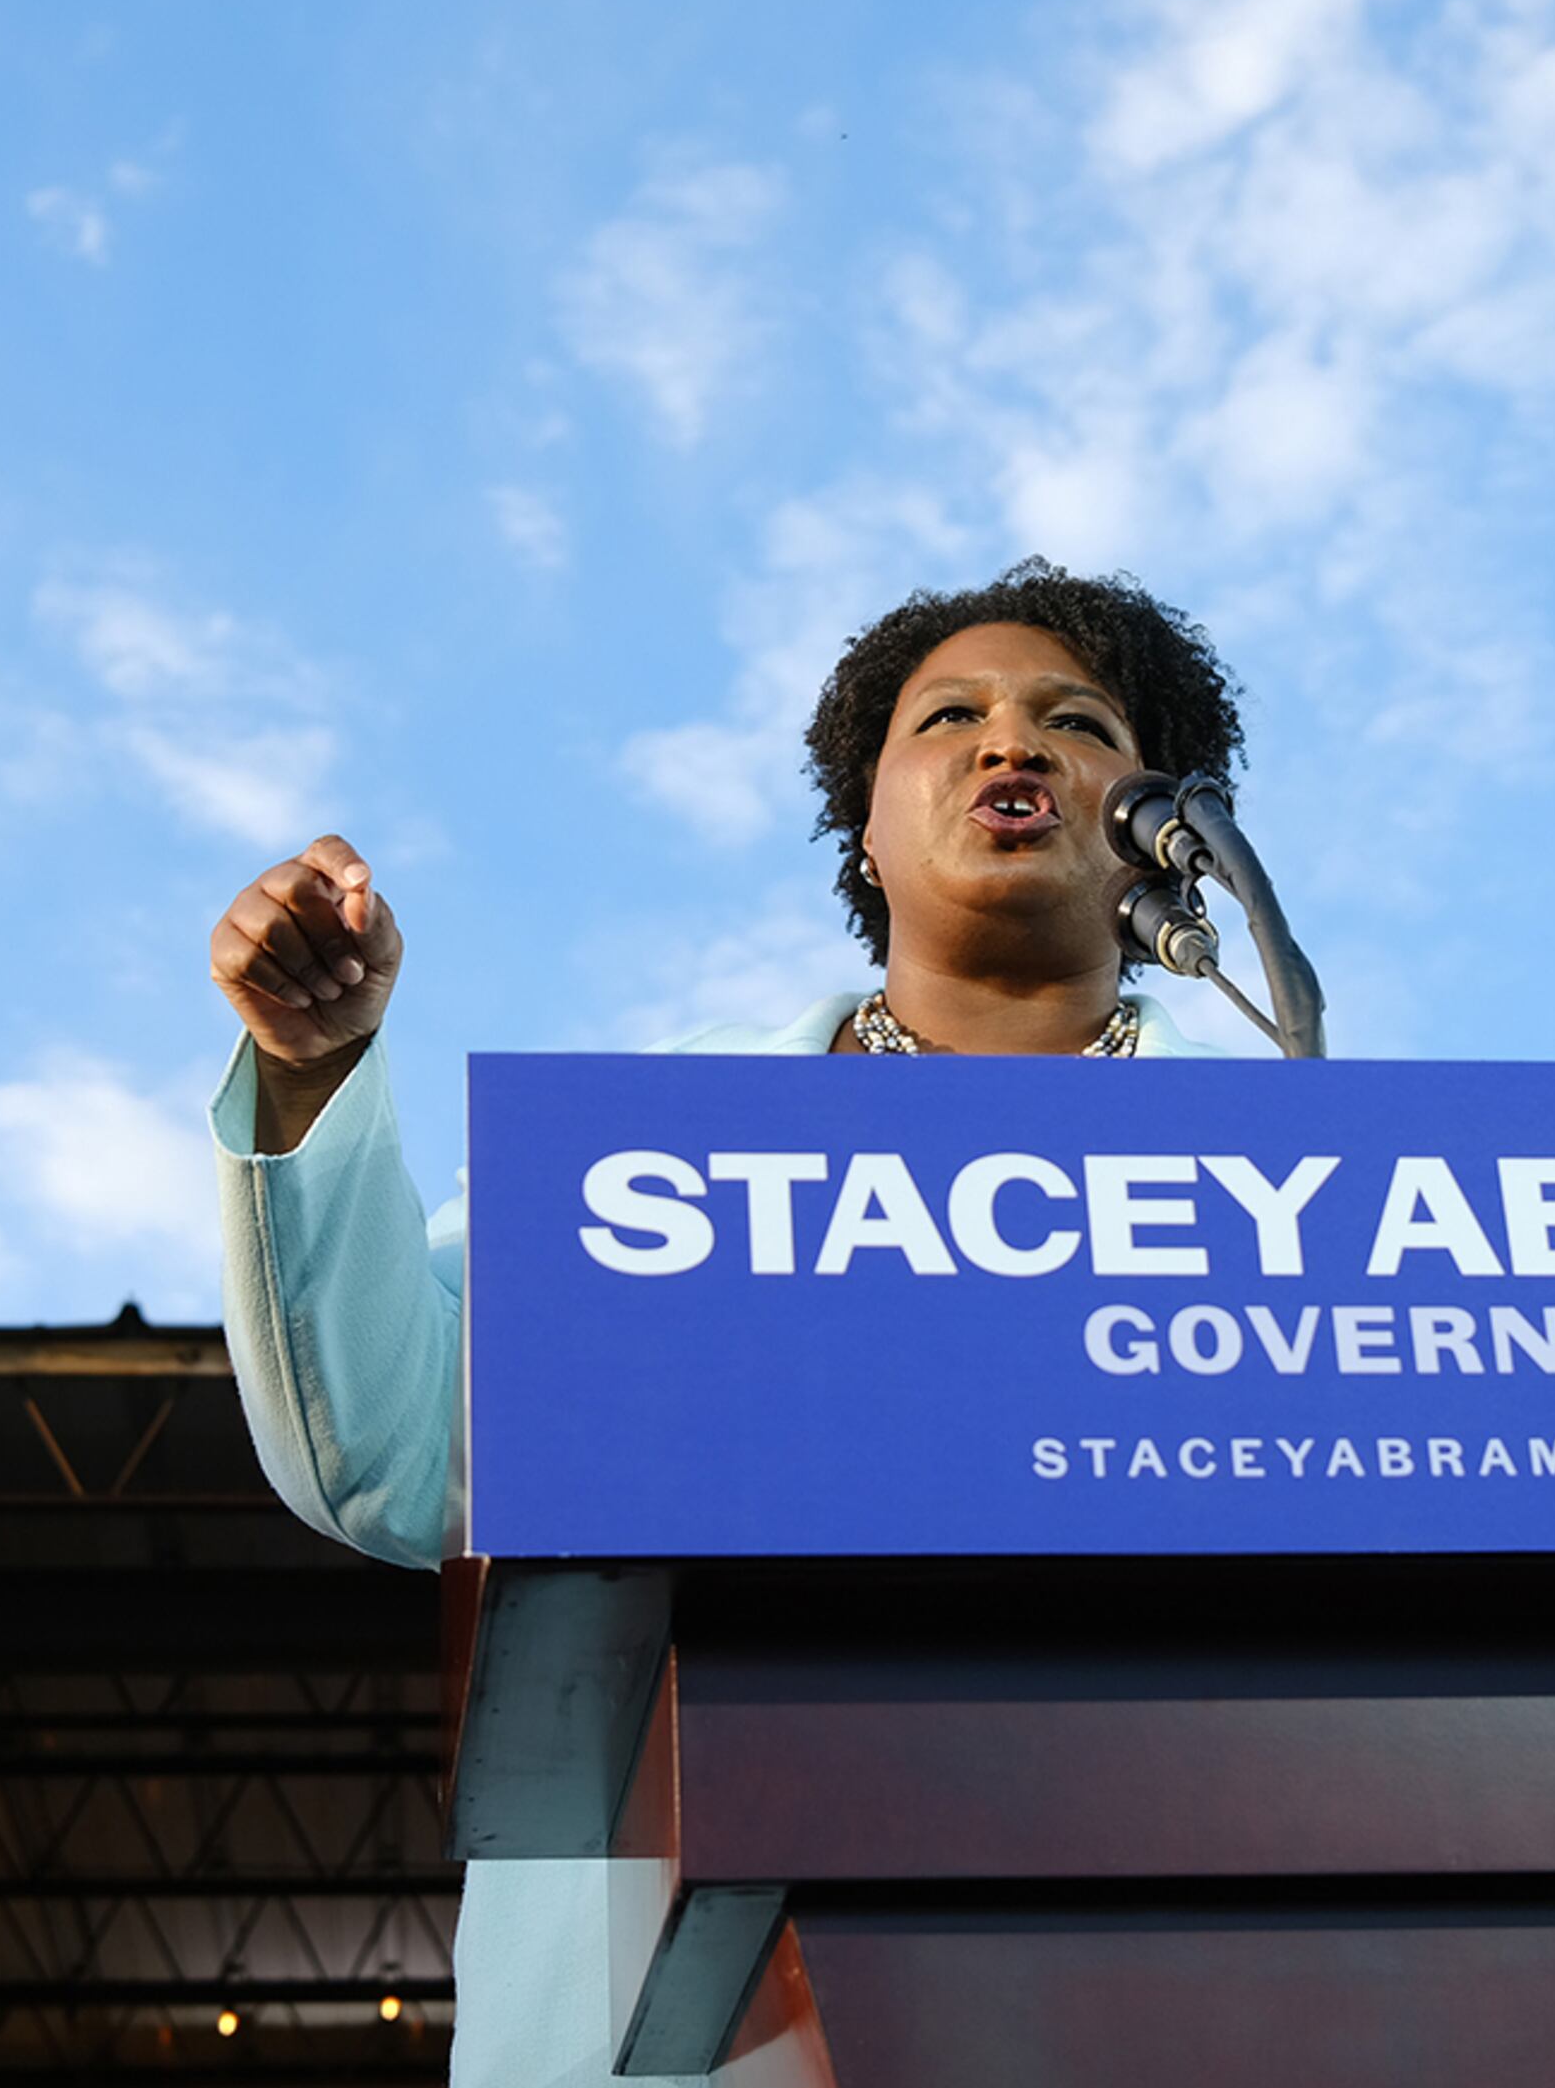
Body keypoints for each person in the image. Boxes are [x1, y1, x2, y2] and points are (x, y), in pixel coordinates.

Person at [203, 559, 1246, 2088]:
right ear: (868, 833)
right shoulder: (664, 1158)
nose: (1011, 744)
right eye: (948, 718)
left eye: (1076, 723)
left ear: (1162, 839)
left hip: (1159, 1984)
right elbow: (393, 1447)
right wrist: (310, 1072)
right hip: (700, 2031)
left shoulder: (1302, 1172)